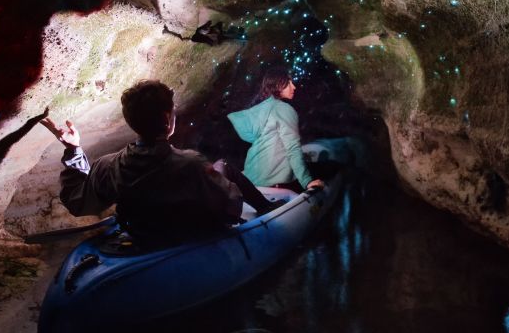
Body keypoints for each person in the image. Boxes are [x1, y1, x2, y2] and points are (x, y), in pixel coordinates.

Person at [40, 80, 280, 245]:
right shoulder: (192, 164)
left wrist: (73, 148)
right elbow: (231, 207)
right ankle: (267, 209)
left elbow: (78, 203)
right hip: (184, 237)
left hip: (141, 235)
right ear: (168, 119)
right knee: (224, 167)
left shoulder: (108, 166)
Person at [222, 66, 325, 194]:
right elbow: (293, 148)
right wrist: (307, 181)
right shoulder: (284, 109)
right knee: (330, 167)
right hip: (273, 182)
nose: (294, 87)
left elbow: (266, 140)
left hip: (251, 180)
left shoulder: (261, 108)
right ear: (277, 85)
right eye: (288, 83)